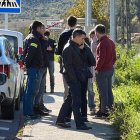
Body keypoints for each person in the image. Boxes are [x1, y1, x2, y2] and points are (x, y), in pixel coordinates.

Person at [56, 29, 95, 130]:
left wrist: (83, 49)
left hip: (77, 77)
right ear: (76, 37)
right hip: (73, 78)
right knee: (76, 101)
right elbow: (68, 67)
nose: (83, 40)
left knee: (70, 100)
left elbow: (87, 61)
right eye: (82, 38)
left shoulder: (77, 46)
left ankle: (60, 120)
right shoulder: (68, 48)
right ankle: (79, 124)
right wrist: (74, 80)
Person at [23, 21, 44, 119]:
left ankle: (28, 112)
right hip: (33, 68)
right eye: (41, 28)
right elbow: (30, 54)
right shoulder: (34, 39)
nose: (43, 30)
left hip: (33, 68)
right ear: (38, 28)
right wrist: (26, 65)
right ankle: (28, 113)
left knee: (29, 91)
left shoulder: (30, 37)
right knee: (31, 91)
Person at [94, 24, 116, 117]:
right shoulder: (111, 42)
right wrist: (111, 64)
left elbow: (101, 58)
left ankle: (103, 112)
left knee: (103, 92)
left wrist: (97, 69)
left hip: (102, 71)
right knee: (108, 90)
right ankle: (109, 109)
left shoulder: (102, 43)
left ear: (97, 32)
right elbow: (114, 56)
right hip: (110, 69)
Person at [57, 16, 77, 100]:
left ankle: (66, 106)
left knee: (66, 87)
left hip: (65, 63)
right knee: (76, 87)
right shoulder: (79, 34)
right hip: (77, 64)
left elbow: (58, 51)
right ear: (76, 24)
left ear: (68, 23)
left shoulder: (63, 34)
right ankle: (76, 105)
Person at [33, 25, 52, 115]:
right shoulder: (36, 39)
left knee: (41, 89)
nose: (44, 30)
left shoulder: (42, 39)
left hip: (44, 66)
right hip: (40, 66)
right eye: (43, 28)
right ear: (38, 29)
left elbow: (48, 49)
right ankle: (36, 107)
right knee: (37, 89)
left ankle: (40, 105)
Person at [87, 29, 98, 115]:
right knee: (90, 89)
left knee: (91, 89)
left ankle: (93, 107)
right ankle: (92, 107)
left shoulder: (96, 43)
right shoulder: (88, 43)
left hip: (94, 69)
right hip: (90, 69)